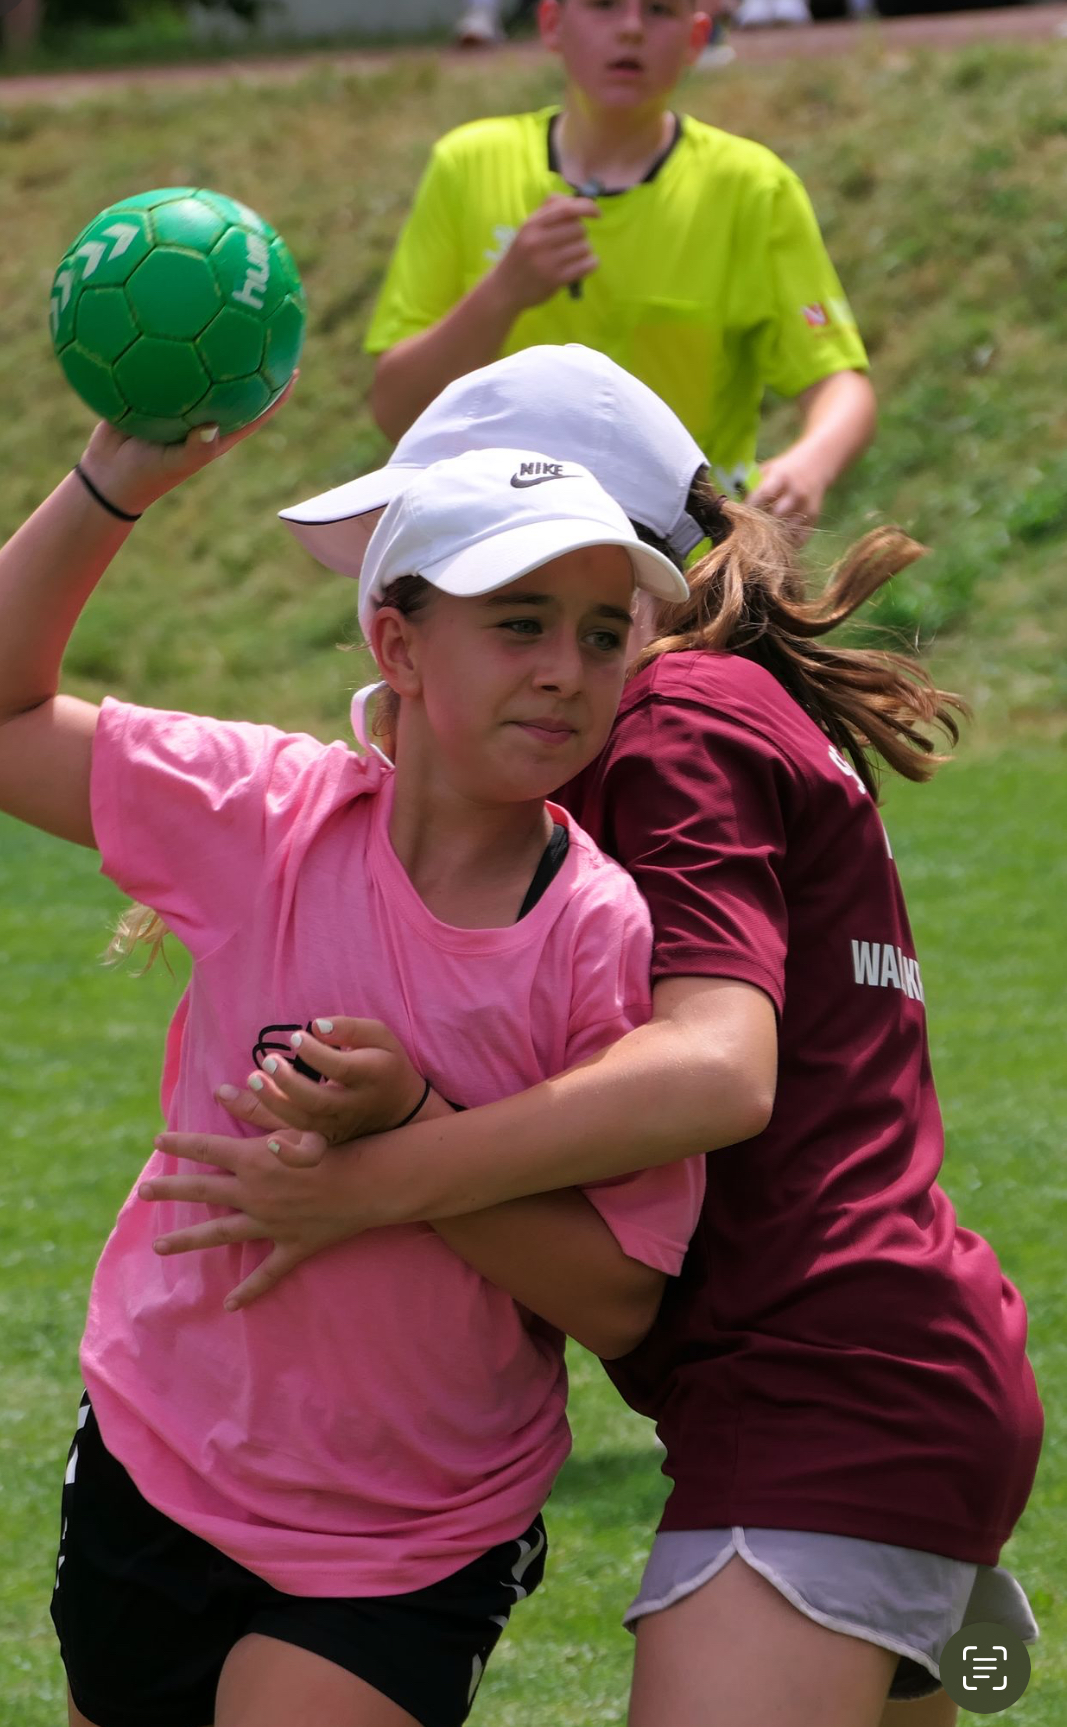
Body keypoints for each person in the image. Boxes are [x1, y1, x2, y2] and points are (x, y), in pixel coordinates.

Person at [140, 346, 1042, 1727]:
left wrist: (382, 1171)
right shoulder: (729, 701)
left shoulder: (674, 714)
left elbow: (714, 1065)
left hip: (815, 1398)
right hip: (892, 1375)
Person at [0, 399, 726, 1727]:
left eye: (600, 632)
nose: (566, 668)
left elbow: (620, 1298)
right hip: (160, 1453)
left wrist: (406, 1134)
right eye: (517, 622)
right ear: (396, 642)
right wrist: (113, 482)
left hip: (408, 1533)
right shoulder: (261, 814)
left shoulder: (596, 932)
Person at [366, 0, 876, 532]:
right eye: (604, 5)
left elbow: (842, 387)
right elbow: (397, 411)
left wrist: (809, 464)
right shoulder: (467, 167)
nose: (631, 29)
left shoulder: (751, 187)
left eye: (659, 10)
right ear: (551, 23)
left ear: (696, 40)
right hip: (499, 563)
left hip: (687, 574)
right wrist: (503, 293)